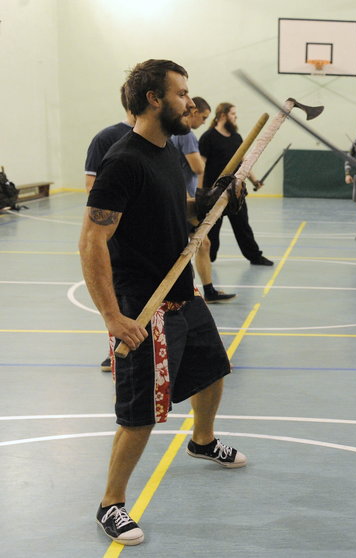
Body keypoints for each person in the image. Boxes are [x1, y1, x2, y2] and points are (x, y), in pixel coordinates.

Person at [79, 60, 246, 546]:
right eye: (183, 93)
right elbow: (92, 241)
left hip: (182, 292)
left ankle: (202, 441)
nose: (191, 103)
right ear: (155, 99)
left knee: (213, 370)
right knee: (140, 413)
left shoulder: (169, 154)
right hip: (144, 305)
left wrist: (215, 201)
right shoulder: (124, 159)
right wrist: (113, 316)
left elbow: (180, 214)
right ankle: (110, 504)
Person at [84, 84, 136, 372]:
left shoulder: (164, 140)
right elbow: (92, 186)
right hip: (118, 235)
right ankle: (115, 348)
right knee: (118, 294)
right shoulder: (107, 138)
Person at [171, 96, 235, 303]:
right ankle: (181, 292)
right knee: (192, 245)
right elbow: (198, 167)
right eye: (204, 117)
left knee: (203, 243)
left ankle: (208, 290)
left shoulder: (176, 134)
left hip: (182, 197)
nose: (204, 123)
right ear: (194, 112)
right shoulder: (187, 134)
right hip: (181, 200)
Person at [199, 102, 273, 265]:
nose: (236, 118)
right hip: (214, 192)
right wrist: (202, 190)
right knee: (212, 229)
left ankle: (254, 256)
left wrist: (255, 180)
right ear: (223, 115)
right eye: (233, 114)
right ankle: (208, 259)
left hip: (234, 191)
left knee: (243, 226)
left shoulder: (236, 138)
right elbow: (201, 166)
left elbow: (243, 161)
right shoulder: (208, 137)